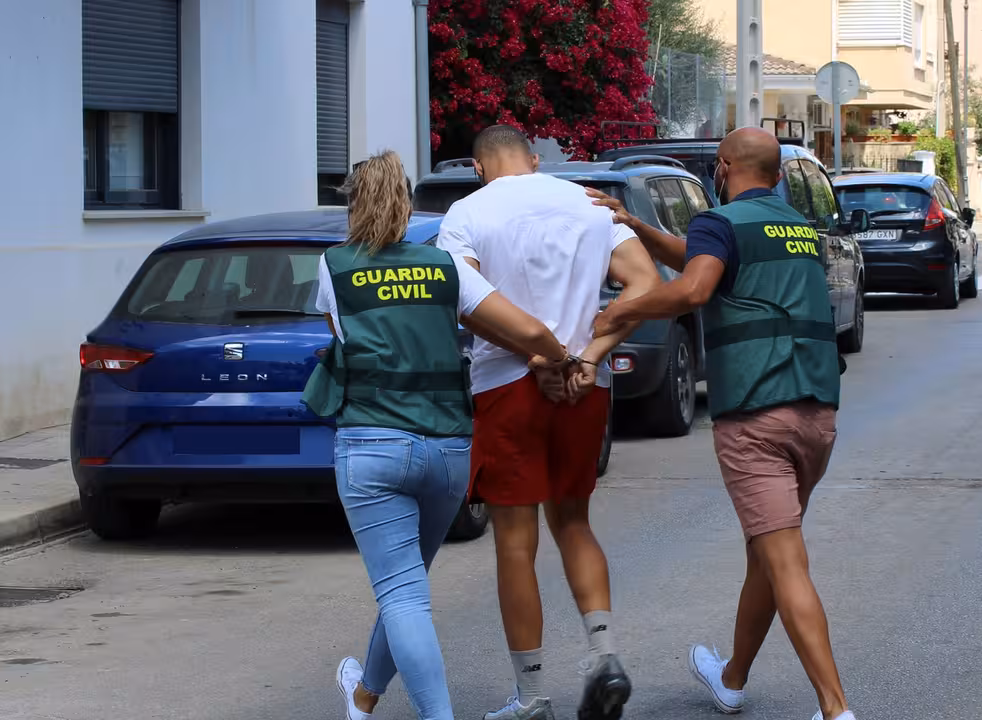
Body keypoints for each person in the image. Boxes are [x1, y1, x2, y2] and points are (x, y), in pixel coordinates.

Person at [588, 127, 857, 720]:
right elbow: (703, 259)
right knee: (768, 552)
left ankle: (835, 710)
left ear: (724, 167)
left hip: (757, 416)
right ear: (779, 175)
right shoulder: (796, 227)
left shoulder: (720, 221)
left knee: (784, 560)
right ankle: (731, 679)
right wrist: (635, 226)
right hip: (815, 414)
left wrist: (621, 309)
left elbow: (696, 285)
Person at [302, 150, 573, 720]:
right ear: (406, 205)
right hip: (448, 449)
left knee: (402, 593)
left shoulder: (335, 264)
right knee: (406, 586)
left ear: (353, 205)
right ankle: (364, 698)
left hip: (373, 445)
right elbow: (526, 329)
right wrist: (561, 359)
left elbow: (342, 335)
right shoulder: (445, 265)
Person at [434, 125, 661, 720]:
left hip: (508, 384)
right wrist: (588, 353)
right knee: (575, 522)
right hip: (586, 385)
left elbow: (467, 302)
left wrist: (540, 357)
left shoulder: (466, 213)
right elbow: (646, 284)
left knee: (515, 543)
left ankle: (533, 695)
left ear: (478, 167)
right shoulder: (586, 202)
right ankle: (605, 656)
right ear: (535, 160)